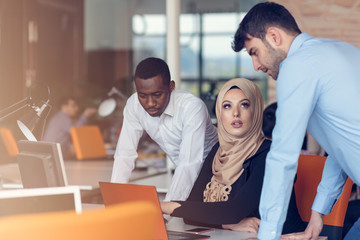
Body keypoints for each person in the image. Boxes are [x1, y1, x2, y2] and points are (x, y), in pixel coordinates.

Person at [232, 2, 360, 240]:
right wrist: (318, 211)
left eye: (254, 52)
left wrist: (268, 235)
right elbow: (341, 147)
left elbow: (282, 157)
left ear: (273, 36)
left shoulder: (297, 64)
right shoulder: (342, 51)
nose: (256, 66)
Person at [160, 78, 305, 234]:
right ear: (220, 113)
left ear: (255, 110)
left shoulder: (270, 155)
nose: (236, 113)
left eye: (244, 105)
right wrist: (228, 225)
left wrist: (166, 206)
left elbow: (234, 210)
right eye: (227, 106)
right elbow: (191, 212)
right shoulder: (218, 151)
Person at [111, 57, 218, 201]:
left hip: (222, 175)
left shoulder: (192, 108)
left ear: (171, 86)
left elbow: (189, 164)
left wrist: (166, 211)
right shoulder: (133, 105)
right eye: (142, 95)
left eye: (157, 95)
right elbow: (125, 154)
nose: (150, 103)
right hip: (186, 178)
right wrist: (114, 199)